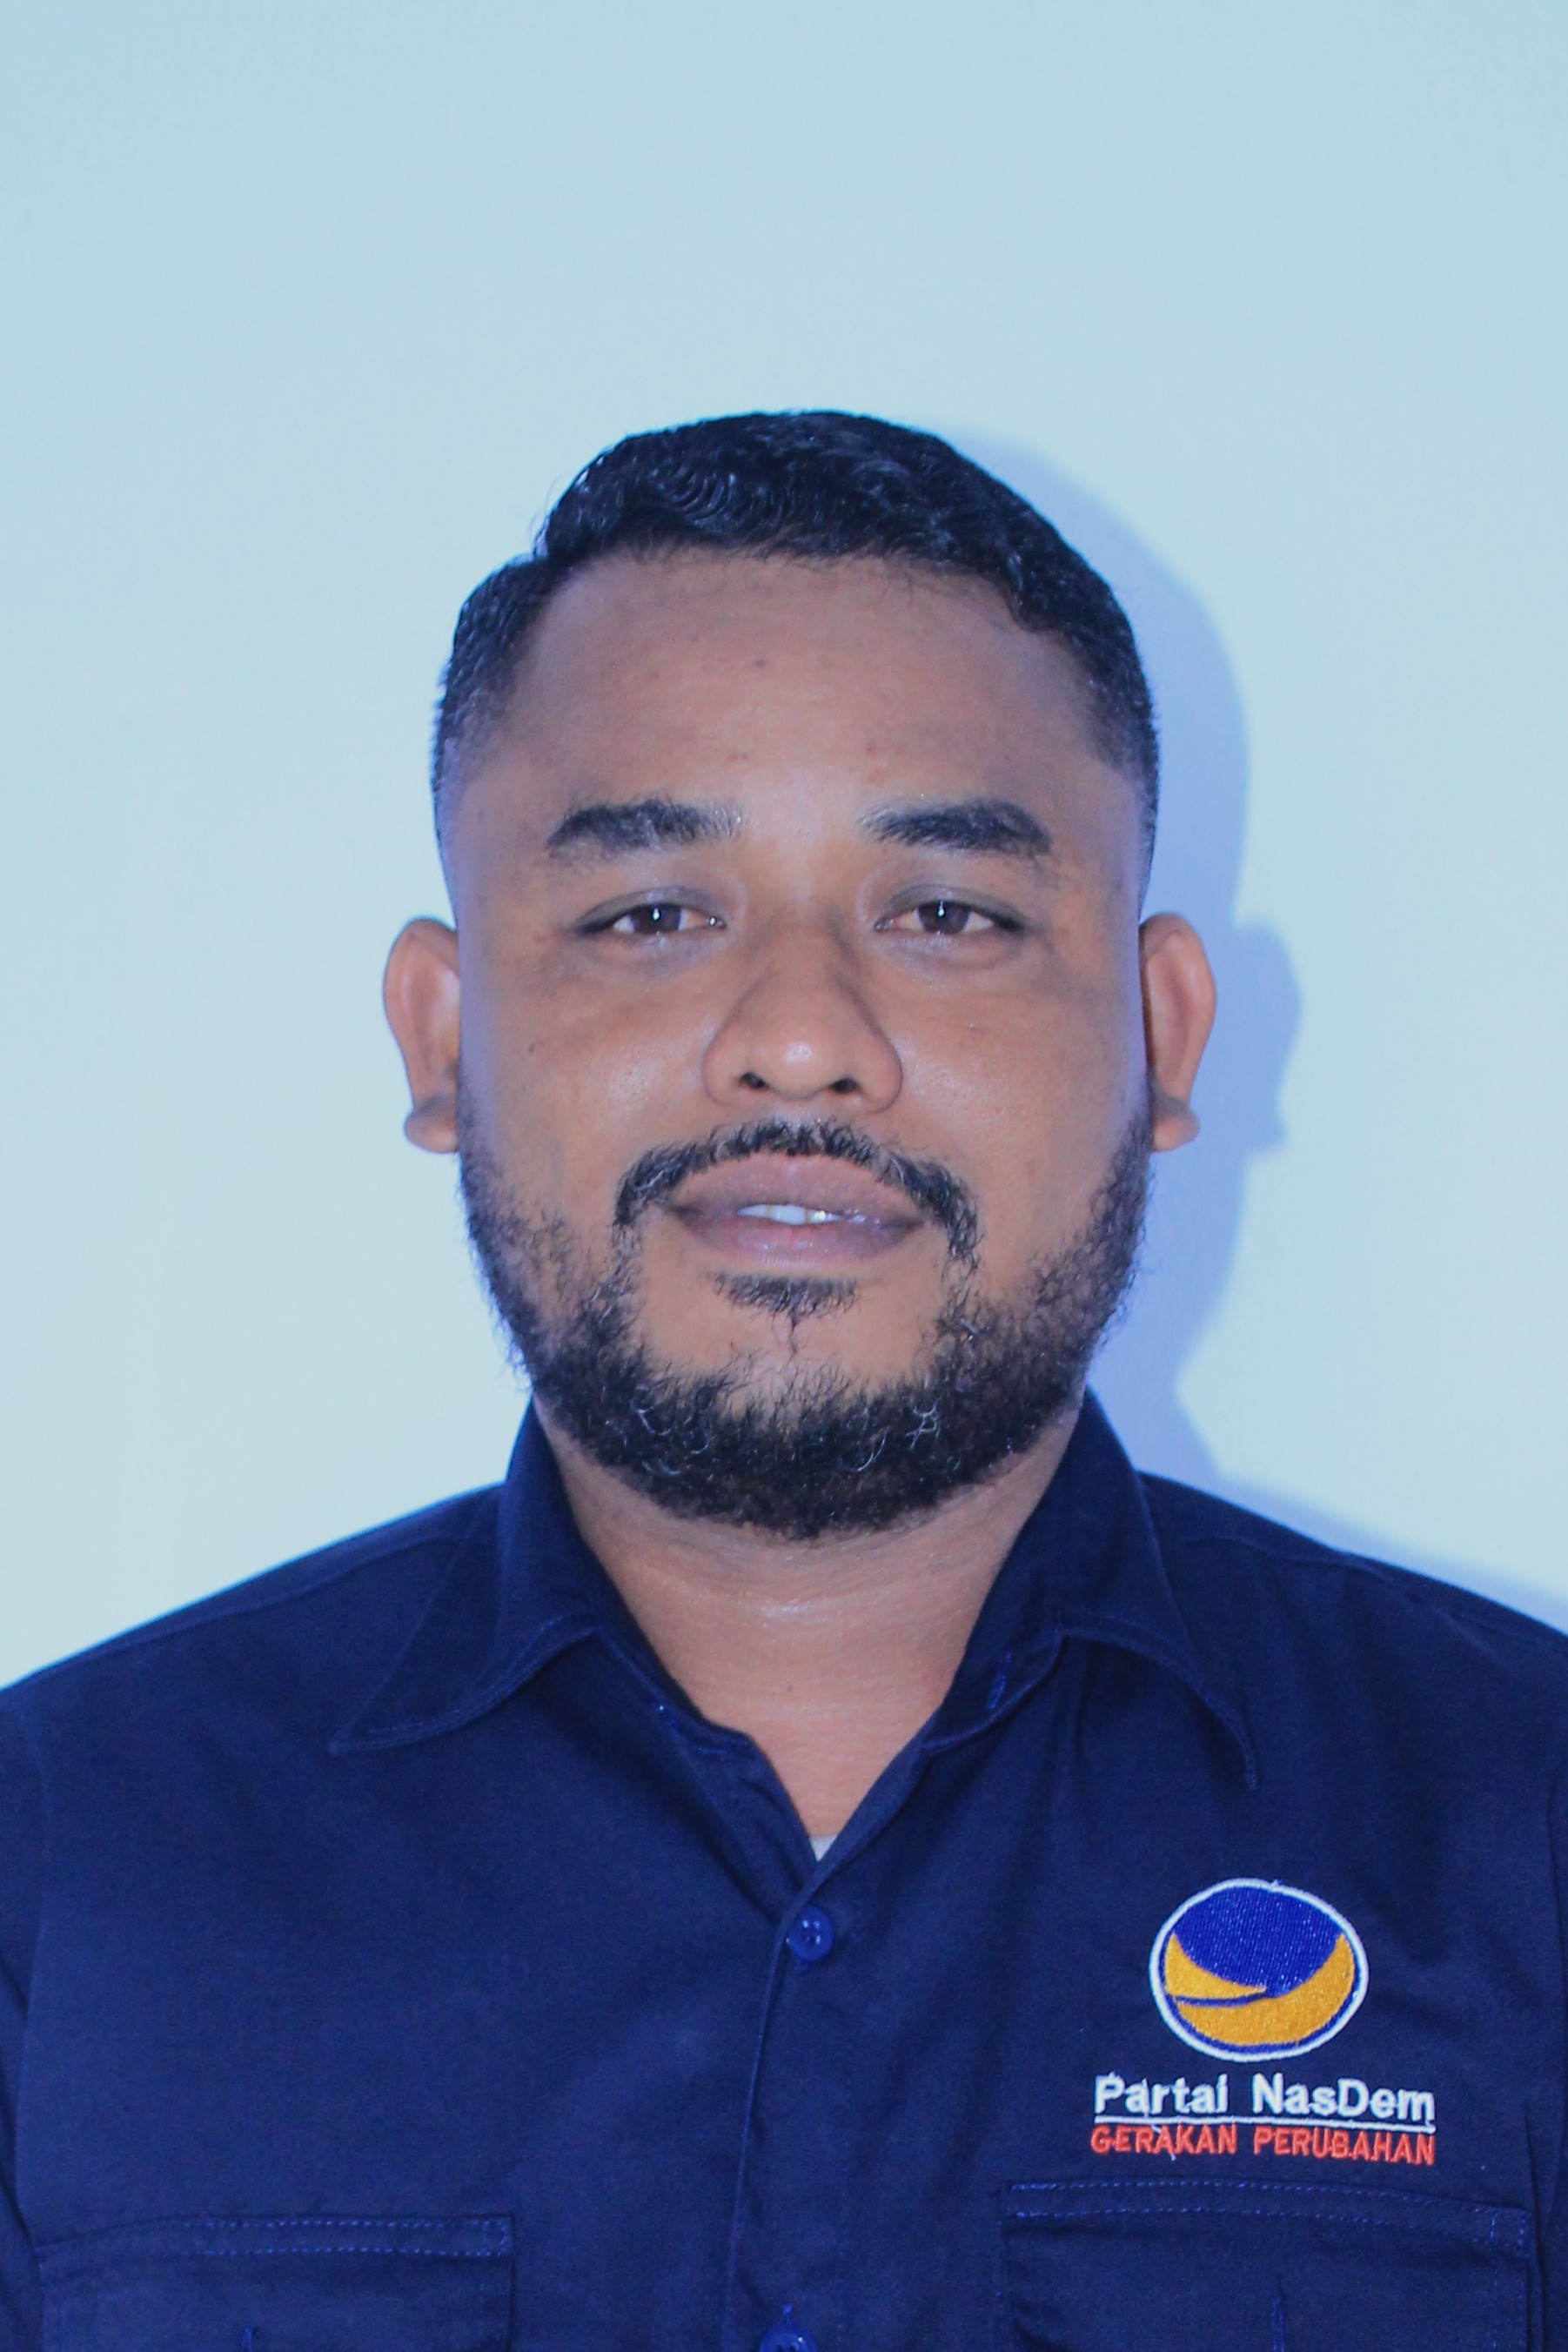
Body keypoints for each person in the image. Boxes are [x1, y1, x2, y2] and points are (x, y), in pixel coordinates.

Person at [3, 412, 1565, 2352]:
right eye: (652, 916)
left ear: (1162, 1034)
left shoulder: (1523, 1829)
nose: (804, 1037)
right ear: (443, 1032)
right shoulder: (63, 1868)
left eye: (948, 914)